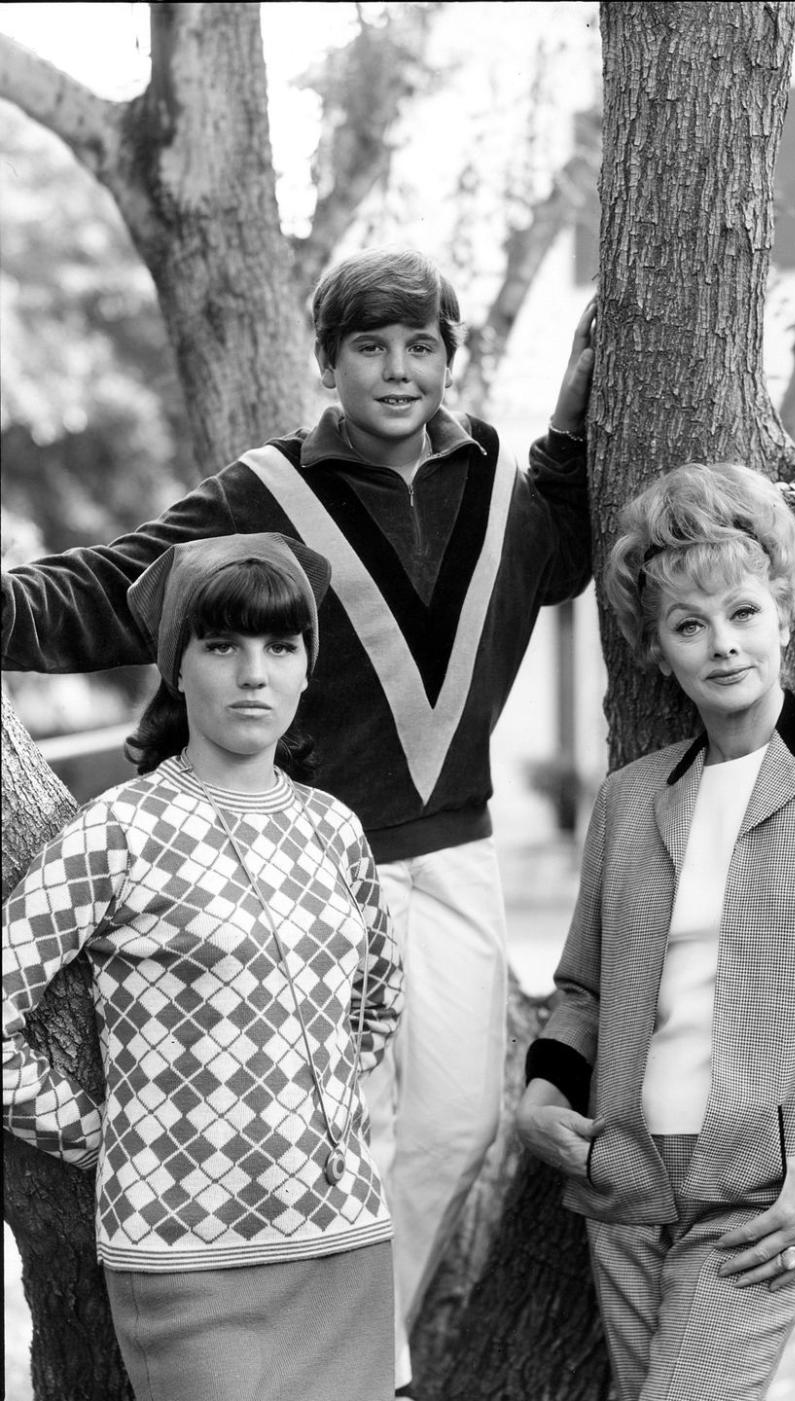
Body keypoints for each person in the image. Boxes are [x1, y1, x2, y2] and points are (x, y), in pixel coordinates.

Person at [0, 245, 595, 1393]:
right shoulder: (266, 492)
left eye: (421, 345)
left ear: (448, 359)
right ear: (328, 362)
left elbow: (560, 548)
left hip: (459, 852)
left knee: (458, 1125)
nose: (397, 369)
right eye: (369, 346)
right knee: (330, 1122)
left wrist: (569, 424)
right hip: (308, 862)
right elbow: (115, 586)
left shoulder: (497, 484)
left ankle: (374, 1343)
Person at [516, 462, 795, 1401]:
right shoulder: (634, 797)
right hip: (622, 1180)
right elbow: (586, 990)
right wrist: (543, 1097)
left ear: (785, 613)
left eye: (743, 612)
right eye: (689, 625)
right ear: (660, 648)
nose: (722, 645)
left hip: (763, 1200)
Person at [2, 534, 404, 1401]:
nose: (254, 672)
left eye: (280, 646)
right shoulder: (117, 830)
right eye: (222, 645)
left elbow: (377, 997)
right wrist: (104, 1138)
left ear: (305, 668)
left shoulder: (336, 828)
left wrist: (317, 1105)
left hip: (344, 1242)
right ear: (178, 668)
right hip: (183, 1253)